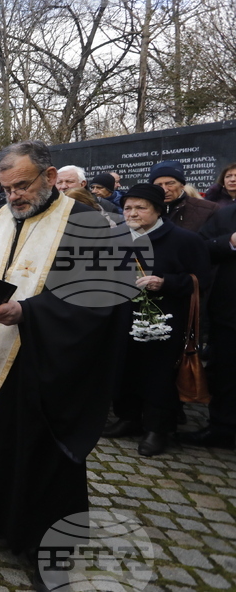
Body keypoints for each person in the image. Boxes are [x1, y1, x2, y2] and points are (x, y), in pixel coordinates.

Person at [0, 140, 129, 567]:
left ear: (49, 177)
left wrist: (27, 313)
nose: (13, 196)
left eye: (22, 186)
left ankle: (48, 549)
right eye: (7, 188)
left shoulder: (86, 223)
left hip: (47, 360)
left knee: (40, 453)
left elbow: (99, 300)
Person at [103, 184, 210, 456]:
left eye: (141, 208)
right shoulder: (116, 237)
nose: (132, 213)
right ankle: (128, 418)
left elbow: (201, 280)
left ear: (158, 210)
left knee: (158, 374)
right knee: (124, 366)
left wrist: (166, 283)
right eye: (128, 208)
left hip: (164, 320)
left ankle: (157, 429)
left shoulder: (185, 240)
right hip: (122, 317)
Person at [183, 201, 236, 449]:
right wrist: (230, 242)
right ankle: (222, 428)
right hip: (229, 313)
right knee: (226, 372)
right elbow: (202, 247)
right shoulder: (227, 214)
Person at [149, 160, 217, 233]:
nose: (164, 190)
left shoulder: (208, 209)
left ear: (182, 185)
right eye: (158, 185)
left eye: (170, 183)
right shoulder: (145, 210)